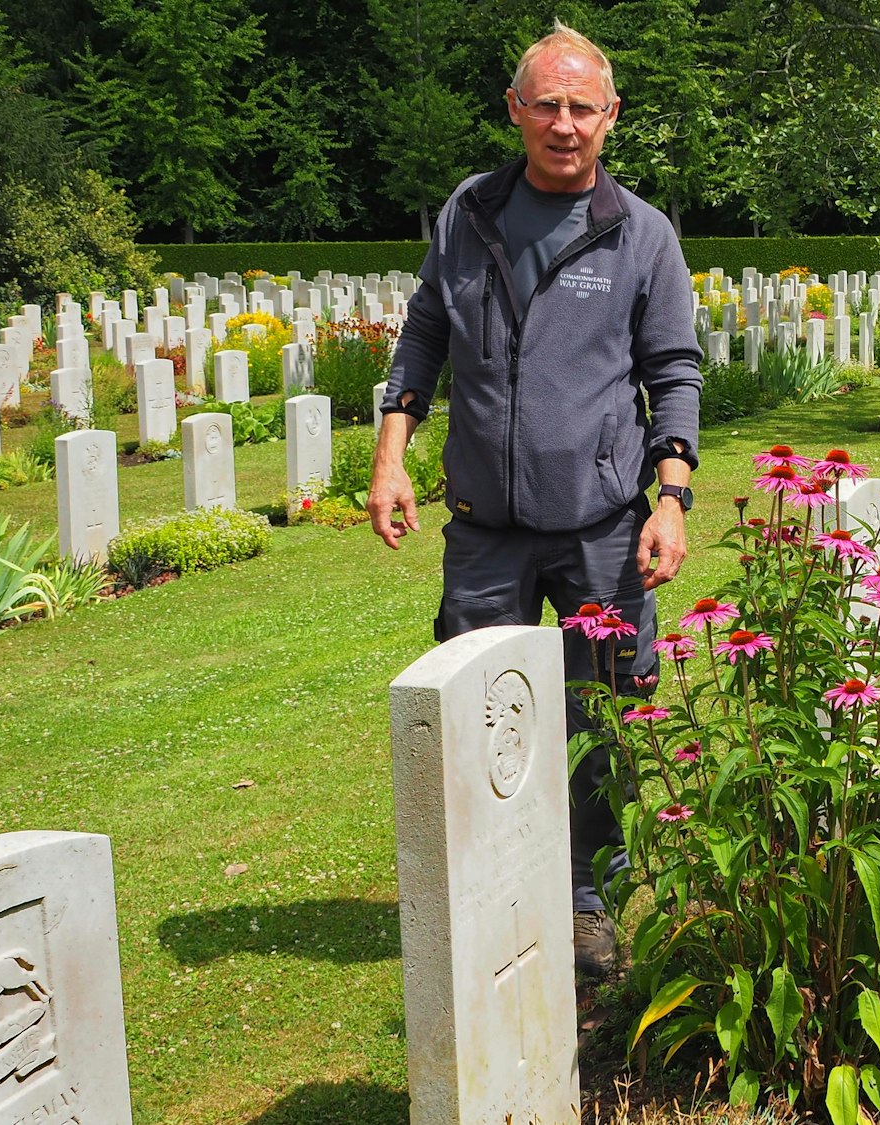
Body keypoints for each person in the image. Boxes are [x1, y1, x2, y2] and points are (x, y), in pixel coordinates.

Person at [369, 20, 702, 981]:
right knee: (475, 714)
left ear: (611, 117)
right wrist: (393, 456)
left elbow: (674, 372)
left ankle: (588, 898)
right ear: (515, 111)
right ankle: (487, 889)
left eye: (582, 107)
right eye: (546, 105)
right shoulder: (468, 214)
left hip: (600, 527)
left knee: (602, 713)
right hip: (484, 532)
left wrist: (669, 498)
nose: (565, 125)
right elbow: (422, 338)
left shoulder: (642, 236)